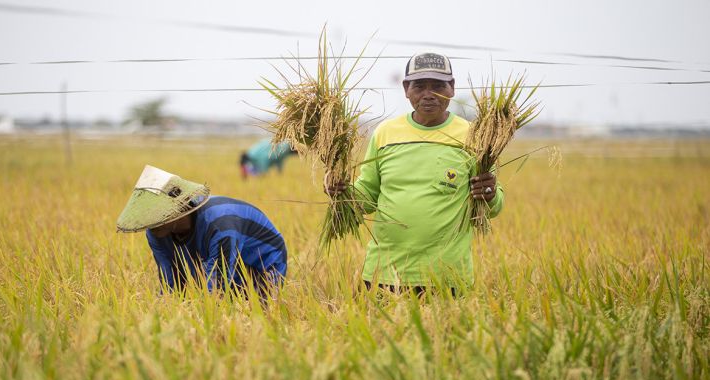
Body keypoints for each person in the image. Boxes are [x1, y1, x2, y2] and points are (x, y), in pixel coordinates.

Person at [327, 52, 504, 295]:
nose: (428, 94)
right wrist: (340, 190)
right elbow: (366, 198)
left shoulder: (474, 137)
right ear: (406, 89)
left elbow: (494, 207)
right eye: (419, 86)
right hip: (384, 273)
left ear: (452, 88)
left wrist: (489, 192)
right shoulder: (385, 134)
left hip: (448, 276)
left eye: (438, 86)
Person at [117, 165, 287, 297]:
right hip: (216, 259)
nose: (151, 225)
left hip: (261, 265)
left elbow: (216, 286)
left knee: (249, 310)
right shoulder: (155, 231)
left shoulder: (219, 224)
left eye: (156, 215)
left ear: (178, 208)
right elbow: (170, 282)